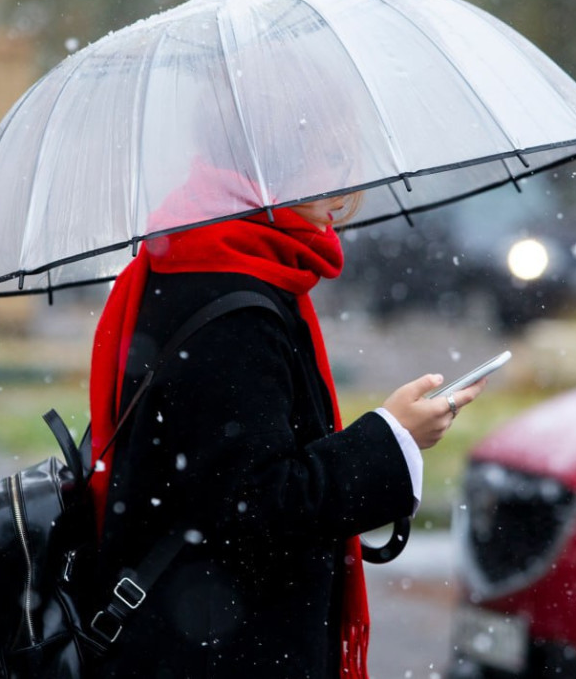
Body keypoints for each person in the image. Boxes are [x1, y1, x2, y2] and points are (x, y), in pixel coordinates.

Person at [86, 179, 487, 678]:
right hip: (224, 647)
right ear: (270, 166)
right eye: (325, 164)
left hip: (196, 631)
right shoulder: (235, 303)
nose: (342, 195)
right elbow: (256, 504)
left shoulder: (201, 254)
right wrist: (392, 439)